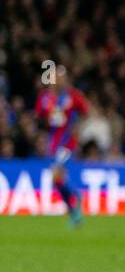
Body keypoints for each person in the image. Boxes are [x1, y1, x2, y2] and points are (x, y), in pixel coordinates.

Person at [34, 65, 90, 226]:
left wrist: (77, 128)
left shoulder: (73, 96)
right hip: (53, 143)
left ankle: (76, 197)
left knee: (56, 175)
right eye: (56, 77)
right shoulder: (46, 98)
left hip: (67, 143)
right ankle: (74, 211)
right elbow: (39, 118)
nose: (59, 80)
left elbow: (86, 112)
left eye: (61, 77)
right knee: (56, 181)